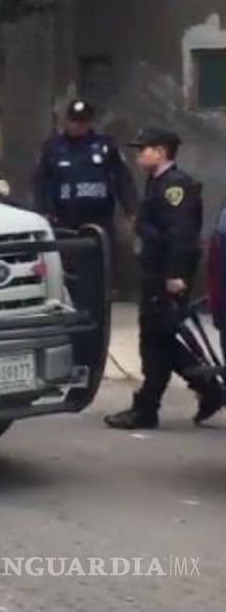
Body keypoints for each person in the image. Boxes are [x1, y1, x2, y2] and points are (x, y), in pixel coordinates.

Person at [105, 128, 223, 429]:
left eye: (144, 149)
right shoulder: (157, 183)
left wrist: (176, 275)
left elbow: (181, 236)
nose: (139, 155)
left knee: (154, 342)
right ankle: (208, 388)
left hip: (165, 277)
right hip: (154, 273)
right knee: (160, 338)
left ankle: (147, 408)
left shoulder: (175, 187)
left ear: (161, 151)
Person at [33, 99, 137, 237]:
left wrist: (132, 211)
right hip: (63, 220)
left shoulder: (106, 146)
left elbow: (123, 179)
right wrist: (42, 210)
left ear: (89, 122)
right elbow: (40, 181)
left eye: (82, 121)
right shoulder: (52, 147)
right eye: (74, 121)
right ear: (67, 121)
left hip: (100, 220)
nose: (77, 125)